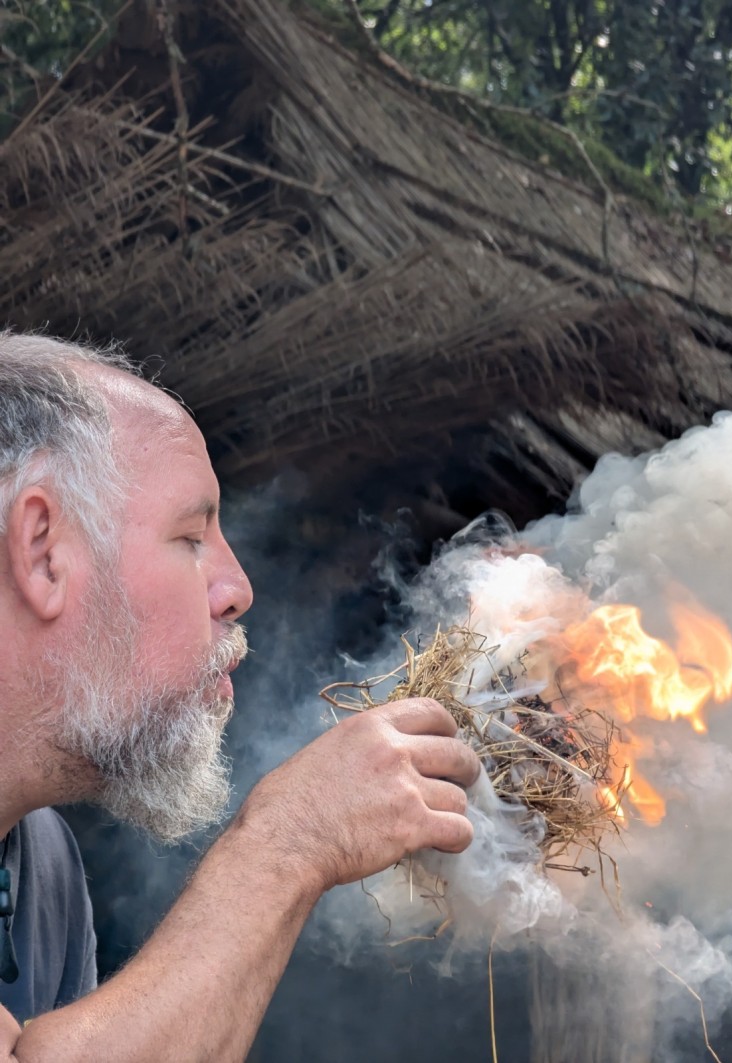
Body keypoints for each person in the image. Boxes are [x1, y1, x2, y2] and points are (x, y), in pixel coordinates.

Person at [0, 332, 479, 1061]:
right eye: (191, 536)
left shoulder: (44, 862)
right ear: (42, 551)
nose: (237, 589)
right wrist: (287, 843)